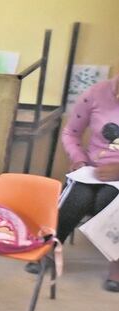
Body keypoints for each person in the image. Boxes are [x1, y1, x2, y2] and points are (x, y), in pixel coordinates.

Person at [32, 74, 119, 291]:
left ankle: (117, 263)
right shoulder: (96, 93)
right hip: (92, 170)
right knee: (78, 195)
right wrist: (78, 159)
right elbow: (71, 132)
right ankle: (50, 247)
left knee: (107, 200)